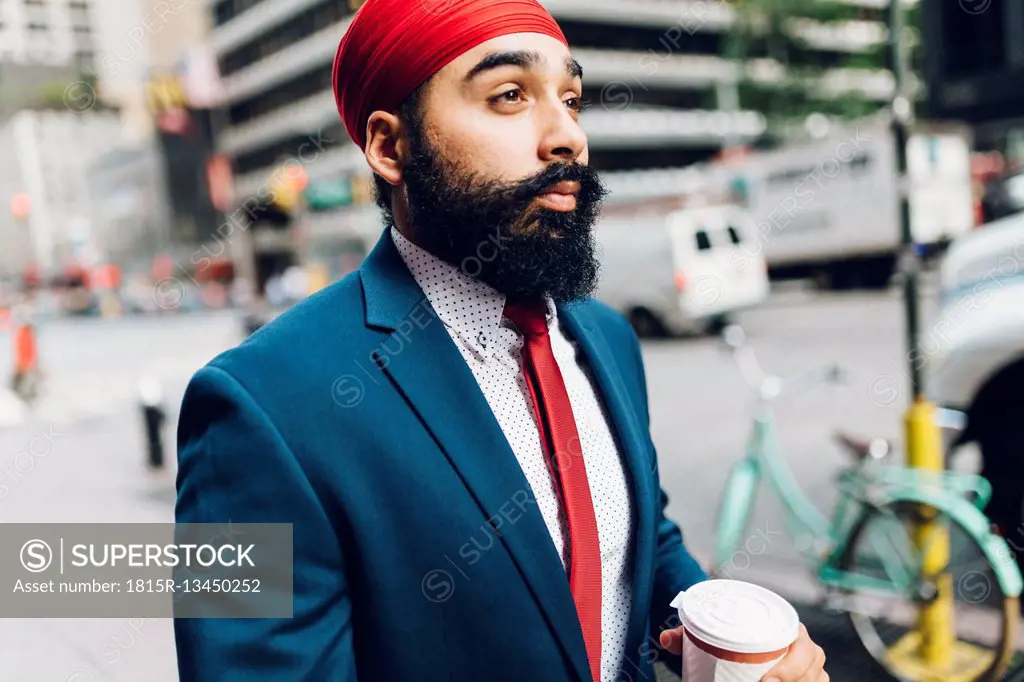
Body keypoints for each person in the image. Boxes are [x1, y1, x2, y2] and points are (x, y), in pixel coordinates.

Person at [174, 1, 829, 681]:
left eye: (570, 99)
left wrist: (738, 641)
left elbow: (641, 540)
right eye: (509, 95)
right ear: (390, 147)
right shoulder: (255, 406)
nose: (566, 136)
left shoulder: (606, 338)